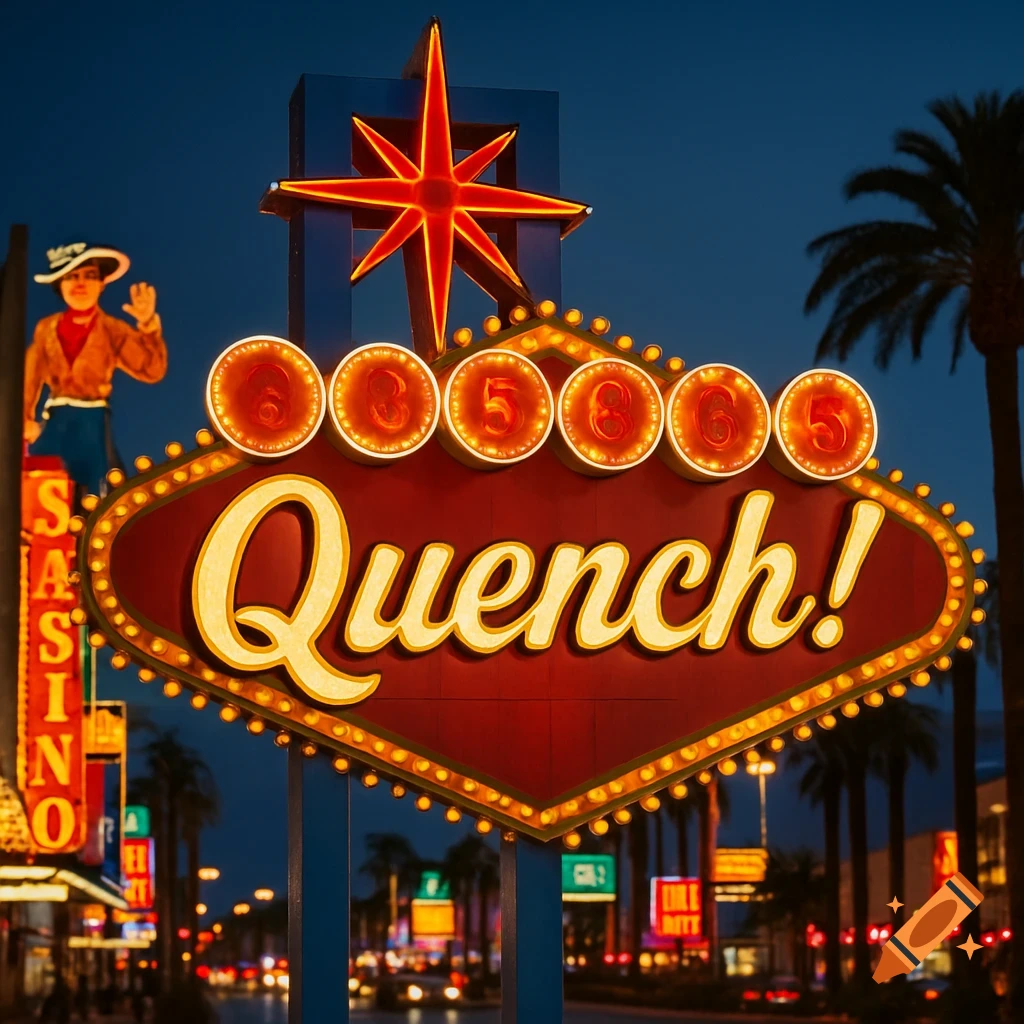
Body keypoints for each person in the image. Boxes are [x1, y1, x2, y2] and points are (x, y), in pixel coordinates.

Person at [24, 241, 168, 497]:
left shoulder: (112, 329)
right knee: (38, 482)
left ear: (101, 284)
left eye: (89, 276)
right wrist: (24, 417)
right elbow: (30, 375)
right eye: (72, 276)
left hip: (93, 422)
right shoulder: (46, 329)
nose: (80, 283)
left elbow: (151, 368)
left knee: (101, 488)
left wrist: (147, 324)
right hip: (56, 421)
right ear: (60, 284)